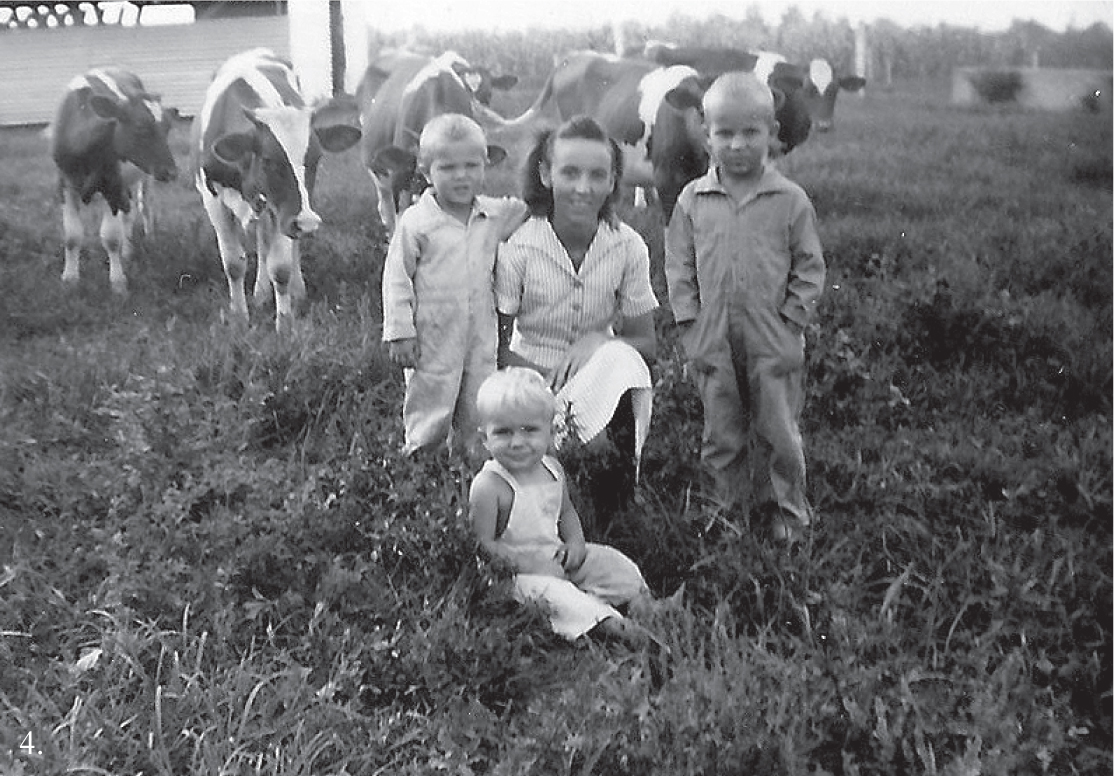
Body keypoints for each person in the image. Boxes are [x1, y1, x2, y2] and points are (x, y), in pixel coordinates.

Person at [664, 72, 826, 543]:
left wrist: (792, 320)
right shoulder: (694, 199)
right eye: (724, 133)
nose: (737, 145)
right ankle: (724, 510)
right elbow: (678, 264)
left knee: (778, 427)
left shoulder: (789, 200)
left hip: (771, 333)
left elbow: (810, 266)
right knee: (722, 428)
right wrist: (689, 323)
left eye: (750, 132)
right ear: (706, 134)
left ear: (772, 132)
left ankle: (787, 513)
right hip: (712, 334)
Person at [495, 115, 658, 517]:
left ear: (613, 181)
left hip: (600, 372)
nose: (583, 188)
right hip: (528, 376)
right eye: (569, 173)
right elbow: (497, 349)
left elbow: (646, 344)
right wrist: (541, 384)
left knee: (623, 360)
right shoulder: (519, 245)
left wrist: (600, 340)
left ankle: (619, 494)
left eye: (597, 175)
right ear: (546, 174)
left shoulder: (627, 246)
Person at [468, 367, 656, 646]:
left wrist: (576, 544)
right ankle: (613, 626)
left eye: (529, 430)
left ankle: (642, 602)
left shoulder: (552, 469)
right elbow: (483, 546)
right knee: (557, 596)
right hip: (515, 575)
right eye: (503, 433)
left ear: (549, 431)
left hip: (555, 556)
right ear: (485, 438)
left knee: (610, 561)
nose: (518, 442)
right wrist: (533, 565)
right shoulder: (490, 485)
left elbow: (566, 513)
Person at [382, 113, 527, 459]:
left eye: (471, 165)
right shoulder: (417, 222)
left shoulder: (491, 215)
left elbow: (524, 210)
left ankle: (472, 459)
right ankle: (421, 457)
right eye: (447, 168)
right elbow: (396, 278)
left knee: (479, 398)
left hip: (480, 331)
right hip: (433, 334)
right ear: (425, 170)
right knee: (431, 396)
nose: (461, 176)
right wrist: (400, 331)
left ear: (485, 164)